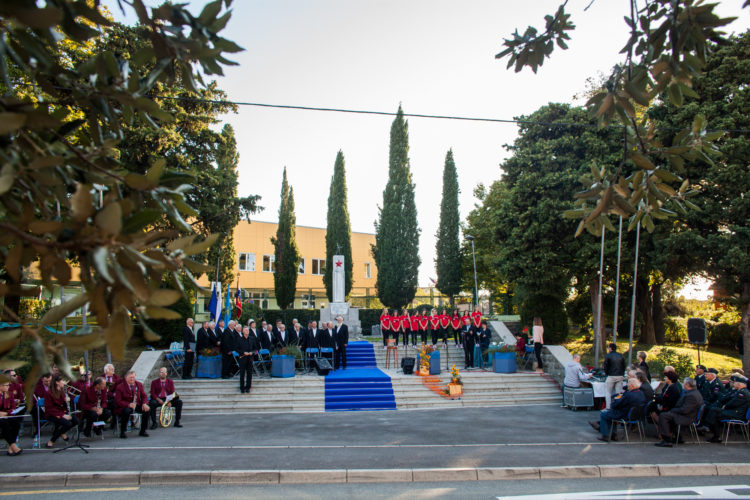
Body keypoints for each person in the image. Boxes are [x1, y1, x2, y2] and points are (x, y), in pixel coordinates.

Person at [590, 377, 646, 442]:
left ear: (631, 385)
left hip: (625, 414)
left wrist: (616, 400)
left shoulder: (629, 395)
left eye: (628, 383)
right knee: (610, 414)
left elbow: (617, 405)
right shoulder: (641, 393)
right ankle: (613, 434)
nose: (627, 385)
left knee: (604, 414)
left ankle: (606, 435)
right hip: (636, 416)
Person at [655, 377, 703, 447]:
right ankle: (677, 437)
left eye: (684, 383)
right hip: (687, 415)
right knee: (667, 414)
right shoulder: (694, 392)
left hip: (687, 417)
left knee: (663, 416)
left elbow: (685, 410)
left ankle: (667, 439)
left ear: (687, 385)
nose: (683, 385)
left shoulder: (692, 395)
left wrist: (673, 410)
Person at [705, 374, 750, 443]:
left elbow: (733, 403)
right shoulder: (740, 391)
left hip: (737, 413)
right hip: (734, 411)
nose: (733, 384)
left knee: (714, 411)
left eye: (735, 383)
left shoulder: (743, 393)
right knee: (714, 411)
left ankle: (712, 431)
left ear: (740, 384)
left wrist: (725, 406)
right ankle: (713, 431)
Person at [44, 374, 79, 448]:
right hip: (52, 414)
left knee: (76, 420)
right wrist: (62, 415)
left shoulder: (63, 391)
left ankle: (61, 432)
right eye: (62, 381)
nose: (64, 383)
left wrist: (68, 400)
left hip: (62, 412)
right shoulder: (49, 393)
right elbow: (49, 408)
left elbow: (65, 404)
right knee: (67, 424)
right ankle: (52, 441)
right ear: (57, 382)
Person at [114, 370, 150, 439]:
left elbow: (144, 396)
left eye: (133, 377)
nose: (132, 379)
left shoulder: (138, 384)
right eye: (130, 377)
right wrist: (128, 404)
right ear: (125, 378)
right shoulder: (120, 387)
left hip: (136, 404)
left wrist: (144, 403)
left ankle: (143, 430)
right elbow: (118, 401)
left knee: (146, 410)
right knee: (126, 411)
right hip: (125, 406)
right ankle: (123, 431)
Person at [0, 380, 23, 456]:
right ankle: (13, 446)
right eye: (6, 385)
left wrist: (6, 413)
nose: (8, 387)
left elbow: (13, 407)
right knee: (5, 425)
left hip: (7, 415)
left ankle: (11, 447)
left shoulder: (9, 394)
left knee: (16, 423)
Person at [602, 343, 625, 409]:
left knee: (608, 392)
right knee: (618, 392)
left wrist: (607, 373)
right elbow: (623, 366)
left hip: (611, 375)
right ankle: (618, 406)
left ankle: (608, 407)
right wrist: (622, 374)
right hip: (620, 375)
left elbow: (605, 366)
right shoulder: (621, 355)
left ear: (610, 348)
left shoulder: (608, 356)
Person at [237, 326, 258, 393]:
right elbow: (237, 349)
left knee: (249, 374)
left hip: (250, 359)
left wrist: (252, 353)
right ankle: (242, 388)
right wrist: (243, 352)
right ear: (243, 331)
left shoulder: (252, 339)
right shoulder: (239, 339)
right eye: (246, 330)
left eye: (248, 330)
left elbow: (256, 349)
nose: (247, 331)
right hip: (242, 358)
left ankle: (248, 387)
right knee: (242, 374)